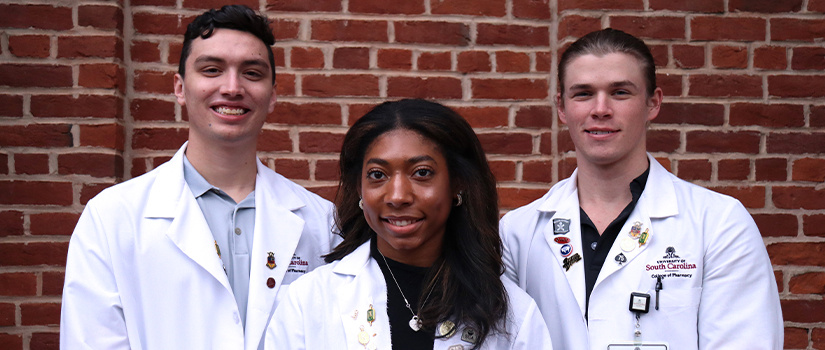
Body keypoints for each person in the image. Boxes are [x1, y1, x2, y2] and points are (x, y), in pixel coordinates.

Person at [60, 5, 339, 350]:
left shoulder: (320, 223)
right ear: (180, 88)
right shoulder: (112, 218)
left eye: (252, 73)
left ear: (272, 95)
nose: (232, 87)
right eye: (212, 70)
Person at [500, 28, 783, 350]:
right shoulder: (518, 233)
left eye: (620, 92)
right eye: (583, 94)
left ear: (653, 103)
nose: (601, 109)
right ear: (562, 107)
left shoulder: (719, 224)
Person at [265, 99, 553, 350]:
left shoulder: (512, 313)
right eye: (378, 175)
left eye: (422, 173)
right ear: (359, 188)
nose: (398, 196)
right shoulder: (309, 300)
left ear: (457, 184)